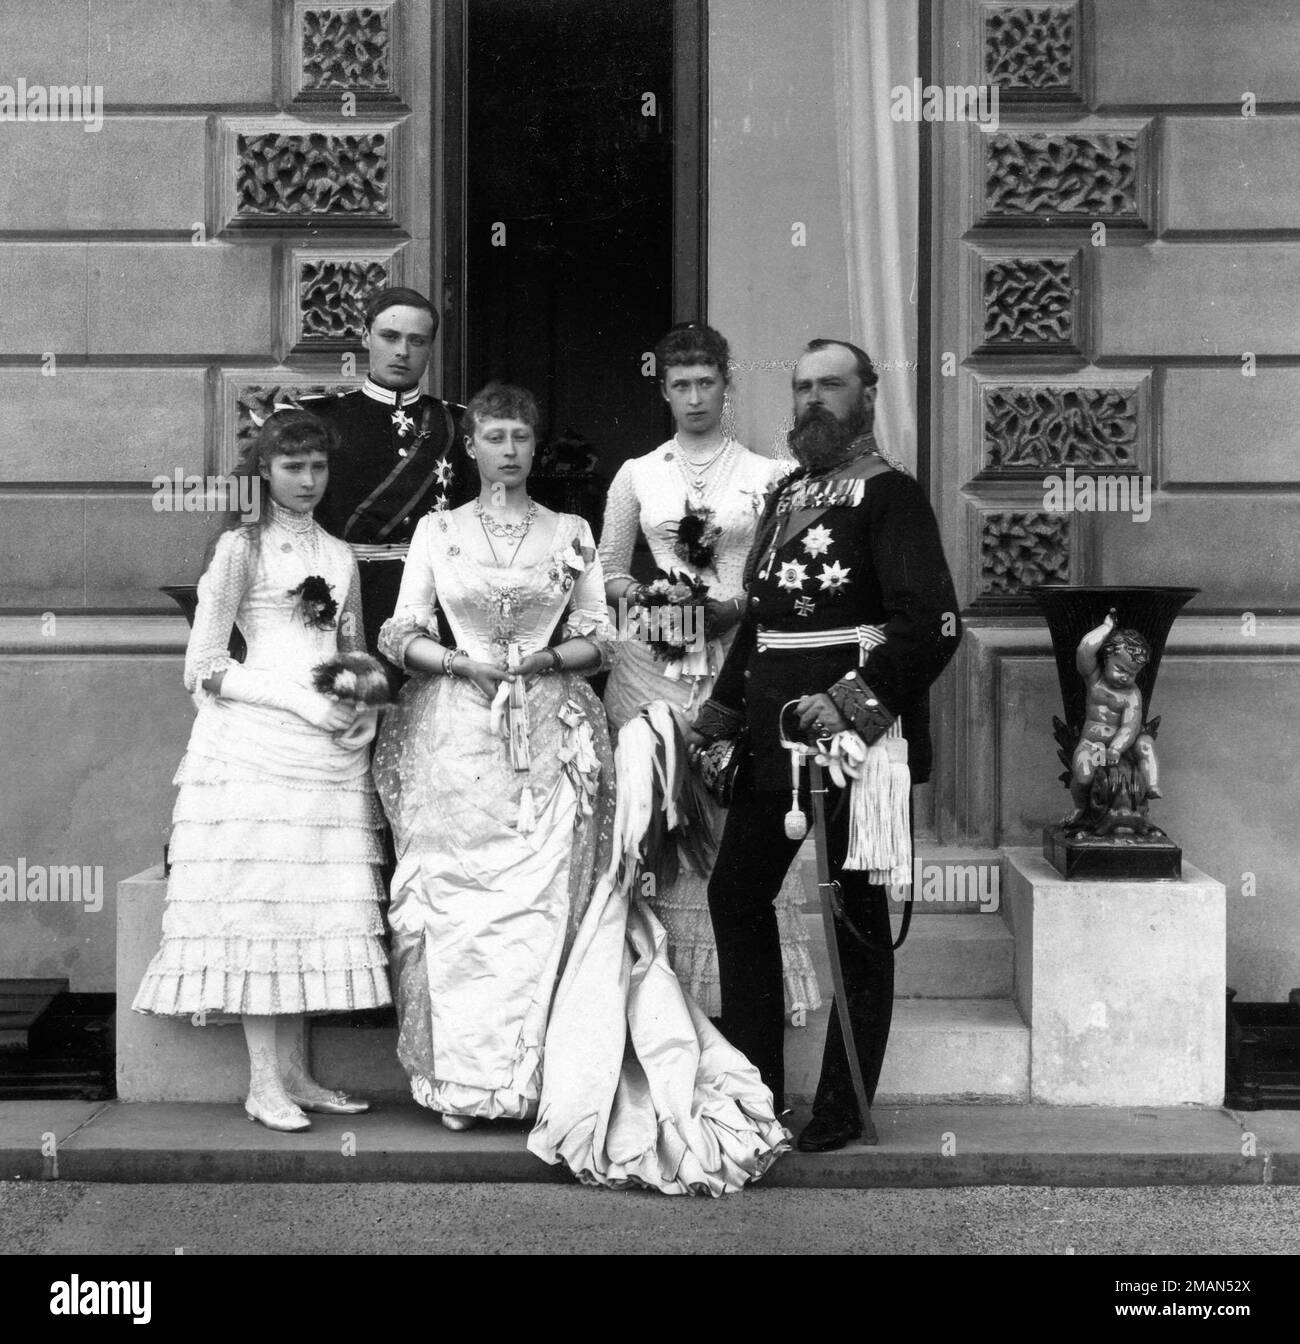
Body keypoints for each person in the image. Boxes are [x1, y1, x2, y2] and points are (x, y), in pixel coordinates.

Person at [372, 382, 786, 1193]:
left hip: (553, 731)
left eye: (522, 436)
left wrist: (541, 660)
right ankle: (463, 1078)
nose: (510, 450)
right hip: (456, 736)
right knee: (460, 904)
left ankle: (531, 1075)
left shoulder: (570, 532)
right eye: (494, 436)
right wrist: (460, 662)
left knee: (545, 900)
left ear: (534, 445)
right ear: (471, 445)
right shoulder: (437, 530)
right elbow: (399, 628)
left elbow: (602, 636)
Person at [692, 339, 962, 1152]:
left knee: (853, 919)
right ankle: (757, 1092)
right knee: (735, 898)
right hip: (773, 741)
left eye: (831, 386)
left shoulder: (893, 495)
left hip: (851, 747)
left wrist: (850, 703)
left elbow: (933, 625)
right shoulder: (788, 492)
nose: (813, 399)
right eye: (803, 385)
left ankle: (844, 1106)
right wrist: (719, 714)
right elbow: (762, 623)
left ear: (868, 395)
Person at [133, 410, 391, 1132]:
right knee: (262, 902)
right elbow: (206, 666)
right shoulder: (239, 550)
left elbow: (354, 648)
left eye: (318, 468)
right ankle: (261, 1082)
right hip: (253, 744)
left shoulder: (341, 555)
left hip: (326, 754)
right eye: (292, 468)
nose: (308, 481)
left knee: (309, 905)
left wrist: (365, 703)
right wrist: (303, 706)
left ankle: (298, 1075)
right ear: (266, 473)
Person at [598, 321, 820, 1021]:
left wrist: (732, 607)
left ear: (727, 387)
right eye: (680, 385)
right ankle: (660, 1004)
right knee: (661, 812)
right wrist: (644, 599)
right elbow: (607, 569)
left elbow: (780, 577)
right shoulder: (638, 473)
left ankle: (735, 1005)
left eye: (707, 384)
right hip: (652, 664)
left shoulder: (769, 475)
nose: (694, 398)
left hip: (734, 657)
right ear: (662, 390)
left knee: (730, 818)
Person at [309, 286, 477, 657]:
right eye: (390, 336)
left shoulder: (458, 423)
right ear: (366, 337)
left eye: (417, 341)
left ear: (430, 348)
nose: (403, 351)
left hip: (431, 600)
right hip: (343, 594)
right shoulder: (320, 420)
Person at [1068, 610, 1159, 821]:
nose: (1125, 676)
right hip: (1092, 744)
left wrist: (1117, 747)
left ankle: (1151, 785)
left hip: (1123, 748)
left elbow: (1130, 725)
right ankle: (1080, 807)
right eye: (1120, 668)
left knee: (1146, 744)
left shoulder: (1132, 694)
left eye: (1132, 673)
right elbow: (1084, 651)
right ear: (1107, 658)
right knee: (1082, 777)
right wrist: (1106, 628)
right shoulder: (1095, 680)